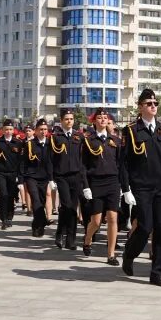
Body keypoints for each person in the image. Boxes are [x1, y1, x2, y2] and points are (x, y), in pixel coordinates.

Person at [120, 89, 161, 287]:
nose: (153, 106)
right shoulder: (131, 131)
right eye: (149, 103)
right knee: (145, 227)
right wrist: (126, 189)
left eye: (155, 103)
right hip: (141, 187)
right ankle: (129, 253)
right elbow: (124, 163)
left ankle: (157, 273)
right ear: (140, 107)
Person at [82, 108, 122, 265]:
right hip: (96, 182)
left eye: (105, 117)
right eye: (99, 117)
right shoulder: (88, 141)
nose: (103, 120)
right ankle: (87, 239)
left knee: (113, 217)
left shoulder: (115, 140)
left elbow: (120, 164)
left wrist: (124, 186)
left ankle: (111, 254)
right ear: (94, 121)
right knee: (96, 222)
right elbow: (83, 166)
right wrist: (85, 186)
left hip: (113, 182)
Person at [49, 109, 87, 250]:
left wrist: (83, 178)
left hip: (76, 176)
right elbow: (50, 159)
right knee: (66, 205)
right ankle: (60, 233)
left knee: (73, 208)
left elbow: (82, 159)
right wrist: (51, 178)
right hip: (62, 176)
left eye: (71, 119)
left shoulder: (79, 137)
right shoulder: (55, 137)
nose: (69, 121)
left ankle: (70, 240)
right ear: (61, 120)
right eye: (66, 119)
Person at [21, 119, 54, 238]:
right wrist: (21, 179)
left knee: (41, 202)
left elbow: (52, 162)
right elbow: (23, 162)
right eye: (41, 129)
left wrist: (52, 178)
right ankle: (43, 219)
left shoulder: (51, 144)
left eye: (45, 129)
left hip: (44, 177)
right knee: (35, 199)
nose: (43, 132)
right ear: (35, 131)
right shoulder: (30, 144)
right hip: (31, 176)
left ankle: (37, 225)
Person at [0, 120, 23, 230]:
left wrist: (20, 175)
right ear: (2, 131)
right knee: (3, 195)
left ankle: (9, 217)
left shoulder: (18, 143)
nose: (8, 131)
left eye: (10, 129)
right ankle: (3, 218)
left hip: (13, 173)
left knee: (11, 196)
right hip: (1, 173)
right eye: (6, 130)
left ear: (13, 130)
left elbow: (20, 161)